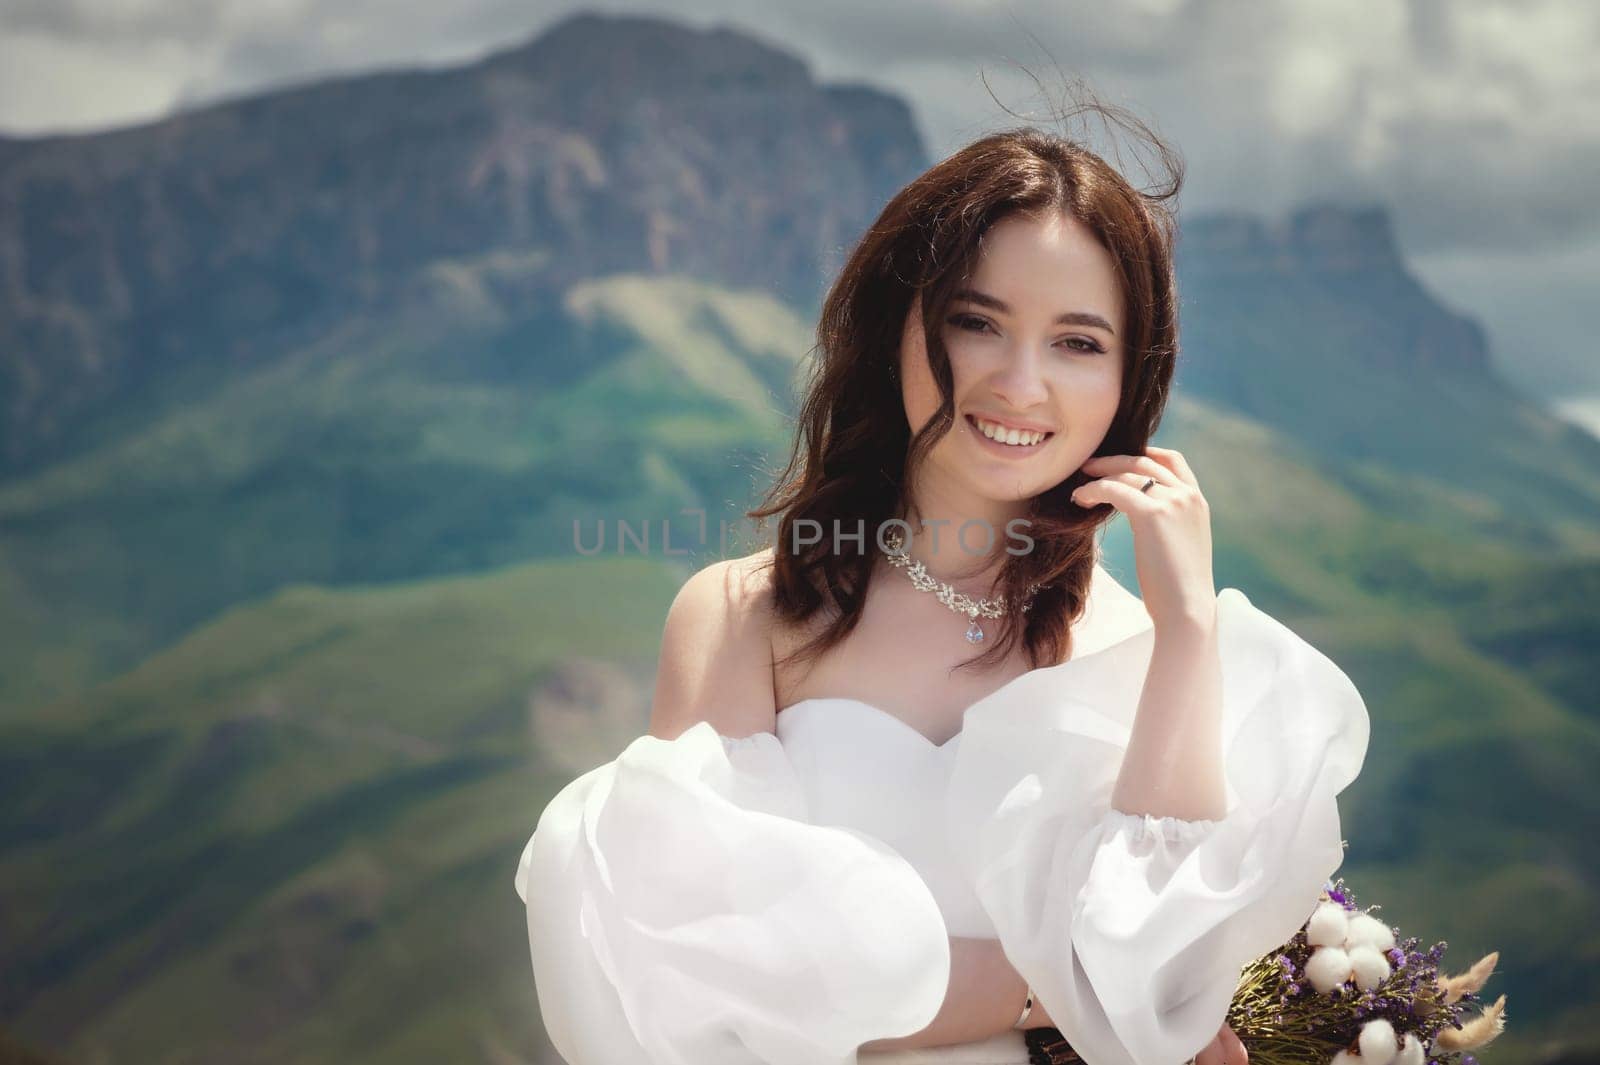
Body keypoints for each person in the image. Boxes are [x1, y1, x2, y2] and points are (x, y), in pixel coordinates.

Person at [513, 113, 1371, 1065]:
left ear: (1133, 376)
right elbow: (702, 978)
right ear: (900, 329)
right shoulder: (745, 618)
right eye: (977, 323)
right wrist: (1058, 980)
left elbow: (1165, 981)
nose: (1021, 383)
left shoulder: (1141, 645)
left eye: (1078, 342)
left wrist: (1188, 629)